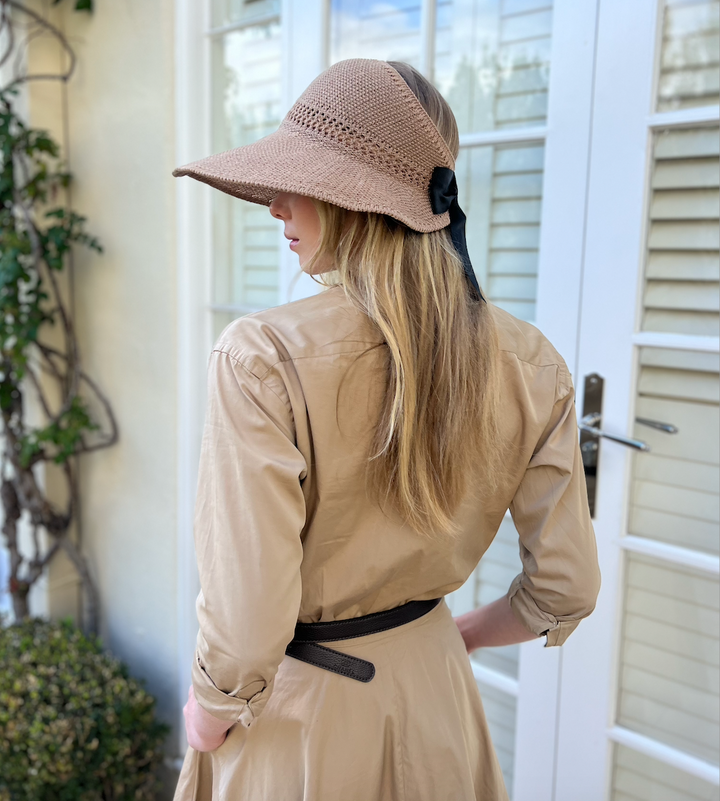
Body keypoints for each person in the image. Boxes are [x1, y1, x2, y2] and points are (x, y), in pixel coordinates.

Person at [171, 59, 601, 801]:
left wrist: (209, 712)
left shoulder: (262, 357)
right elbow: (566, 588)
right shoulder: (533, 362)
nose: (275, 203)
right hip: (437, 694)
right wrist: (446, 633)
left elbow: (245, 623)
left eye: (294, 180)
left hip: (302, 719)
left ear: (352, 198)